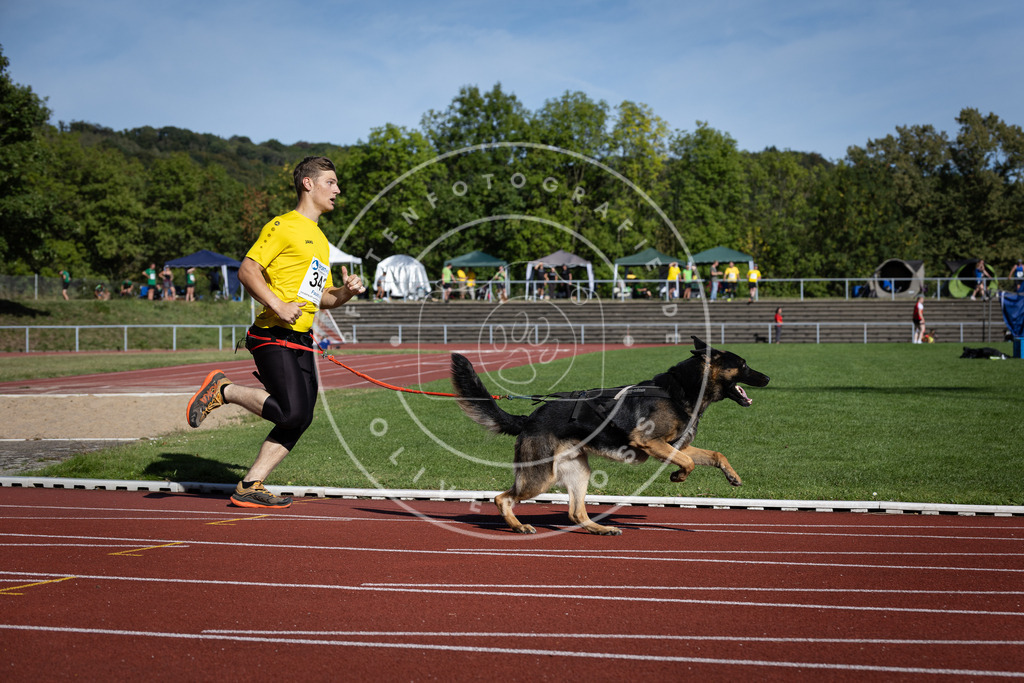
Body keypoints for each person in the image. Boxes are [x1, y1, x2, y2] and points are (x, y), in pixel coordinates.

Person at [185, 156, 365, 509]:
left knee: (301, 417)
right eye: (331, 182)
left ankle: (251, 484)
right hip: (272, 334)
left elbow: (322, 297)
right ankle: (224, 389)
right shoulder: (283, 225)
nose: (338, 190)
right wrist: (279, 306)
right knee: (292, 414)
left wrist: (346, 292)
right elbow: (248, 270)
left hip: (302, 340)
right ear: (308, 184)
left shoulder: (320, 239)